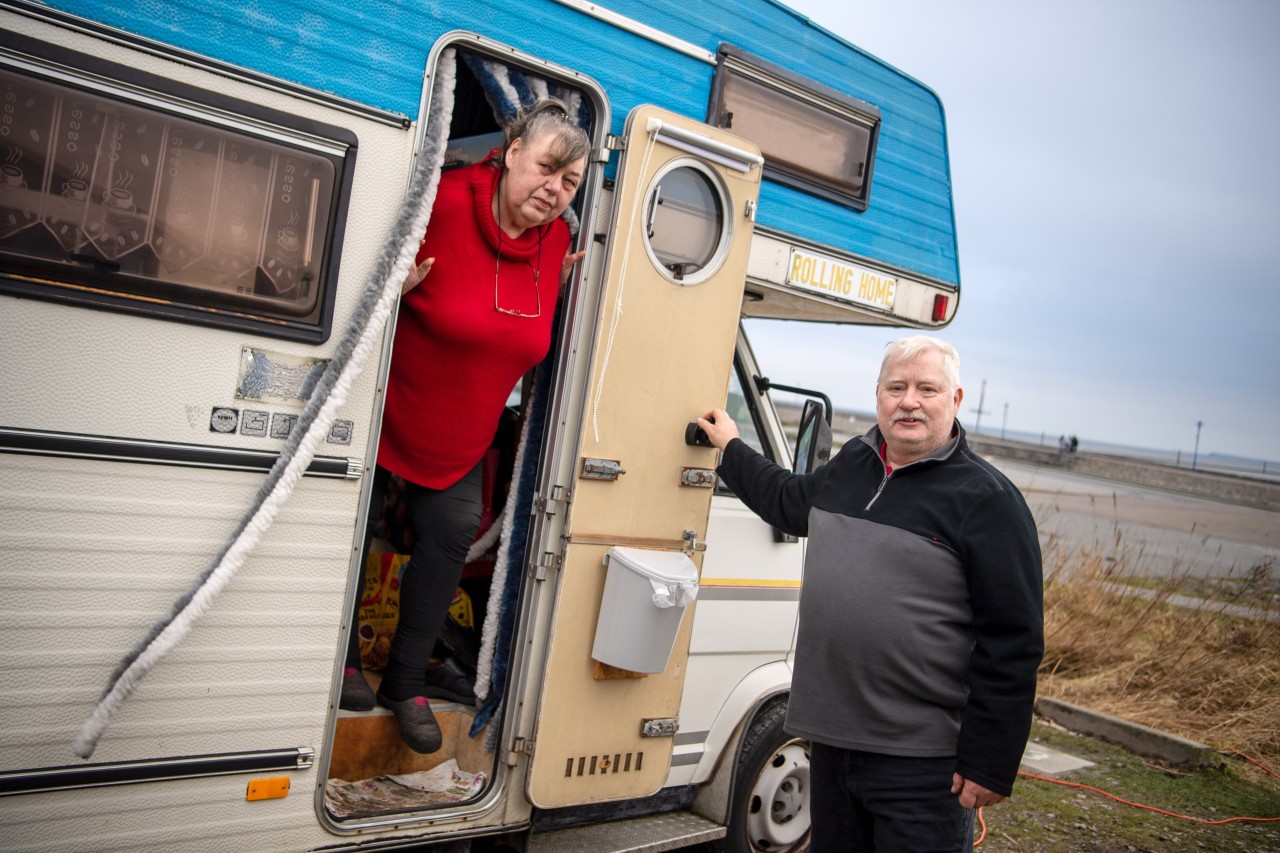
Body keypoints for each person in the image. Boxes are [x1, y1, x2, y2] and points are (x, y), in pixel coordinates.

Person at [696, 335, 1043, 852]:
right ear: (878, 395)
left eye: (928, 388)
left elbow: (1013, 640)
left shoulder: (987, 500)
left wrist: (990, 760)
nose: (910, 401)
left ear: (956, 399)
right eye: (896, 387)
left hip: (922, 763)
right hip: (829, 747)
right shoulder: (854, 464)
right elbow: (789, 501)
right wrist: (730, 447)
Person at [341, 98, 590, 754]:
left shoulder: (560, 241)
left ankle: (403, 681)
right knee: (353, 524)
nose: (554, 188)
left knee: (450, 534)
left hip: (462, 433)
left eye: (570, 181)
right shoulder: (444, 201)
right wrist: (391, 291)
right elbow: (358, 277)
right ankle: (341, 661)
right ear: (511, 153)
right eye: (545, 168)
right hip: (387, 409)